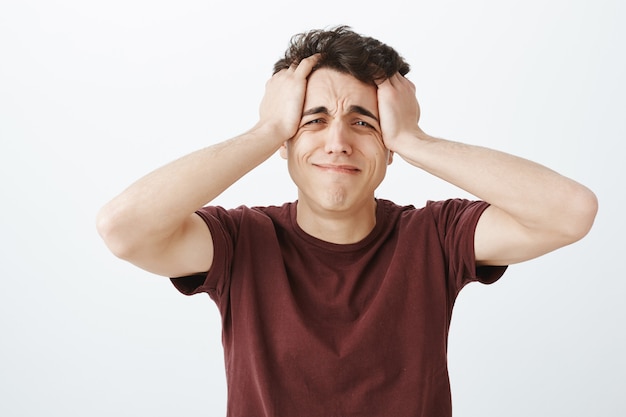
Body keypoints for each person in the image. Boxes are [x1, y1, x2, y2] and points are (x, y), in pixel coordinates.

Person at [96, 26, 598, 416]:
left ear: (389, 145)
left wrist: (416, 140)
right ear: (286, 144)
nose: (337, 141)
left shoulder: (434, 238)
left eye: (364, 122)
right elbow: (123, 228)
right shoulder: (241, 242)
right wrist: (266, 128)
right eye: (314, 120)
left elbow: (570, 212)